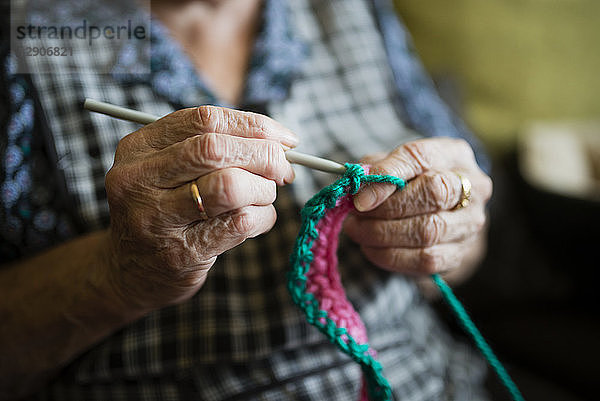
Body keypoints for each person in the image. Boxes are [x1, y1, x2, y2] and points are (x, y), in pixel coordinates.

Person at [0, 0, 493, 399]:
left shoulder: (354, 10)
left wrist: (446, 225)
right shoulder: (29, 37)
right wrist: (116, 275)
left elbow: (467, 241)